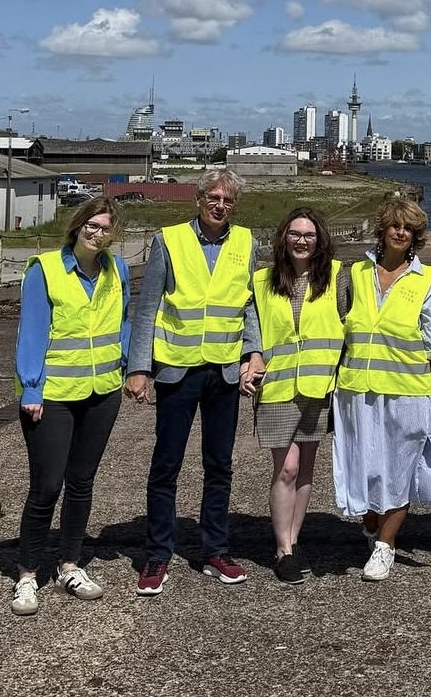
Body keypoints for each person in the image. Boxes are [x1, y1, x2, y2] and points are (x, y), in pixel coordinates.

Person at [125, 168, 263, 596]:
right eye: (213, 198)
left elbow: (249, 306)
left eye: (227, 200)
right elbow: (147, 306)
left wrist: (253, 352)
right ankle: (158, 554)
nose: (220, 206)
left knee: (219, 465)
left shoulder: (247, 243)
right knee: (166, 465)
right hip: (176, 370)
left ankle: (215, 549)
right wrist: (138, 367)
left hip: (223, 371)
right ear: (198, 199)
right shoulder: (169, 240)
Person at [11, 197, 131, 616]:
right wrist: (31, 388)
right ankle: (27, 574)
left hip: (102, 391)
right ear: (77, 227)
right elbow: (32, 331)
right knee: (46, 487)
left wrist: (127, 363)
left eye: (106, 228)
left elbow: (125, 319)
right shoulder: (45, 270)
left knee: (82, 482)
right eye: (92, 226)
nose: (98, 234)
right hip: (55, 394)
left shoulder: (117, 269)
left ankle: (69, 565)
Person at [332, 198, 431, 582]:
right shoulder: (355, 273)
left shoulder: (427, 279)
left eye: (409, 229)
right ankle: (372, 523)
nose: (401, 233)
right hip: (357, 389)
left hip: (406, 390)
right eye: (394, 226)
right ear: (383, 230)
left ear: (416, 237)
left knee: (400, 469)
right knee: (367, 467)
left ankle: (386, 547)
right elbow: (337, 327)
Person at [249, 207, 350, 585]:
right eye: (295, 233)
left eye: (309, 234)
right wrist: (251, 358)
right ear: (283, 238)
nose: (302, 240)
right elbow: (253, 328)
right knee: (286, 468)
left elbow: (350, 324)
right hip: (276, 387)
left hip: (319, 387)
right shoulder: (262, 280)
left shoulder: (338, 277)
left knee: (306, 468)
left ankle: (293, 539)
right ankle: (283, 549)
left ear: (319, 240)